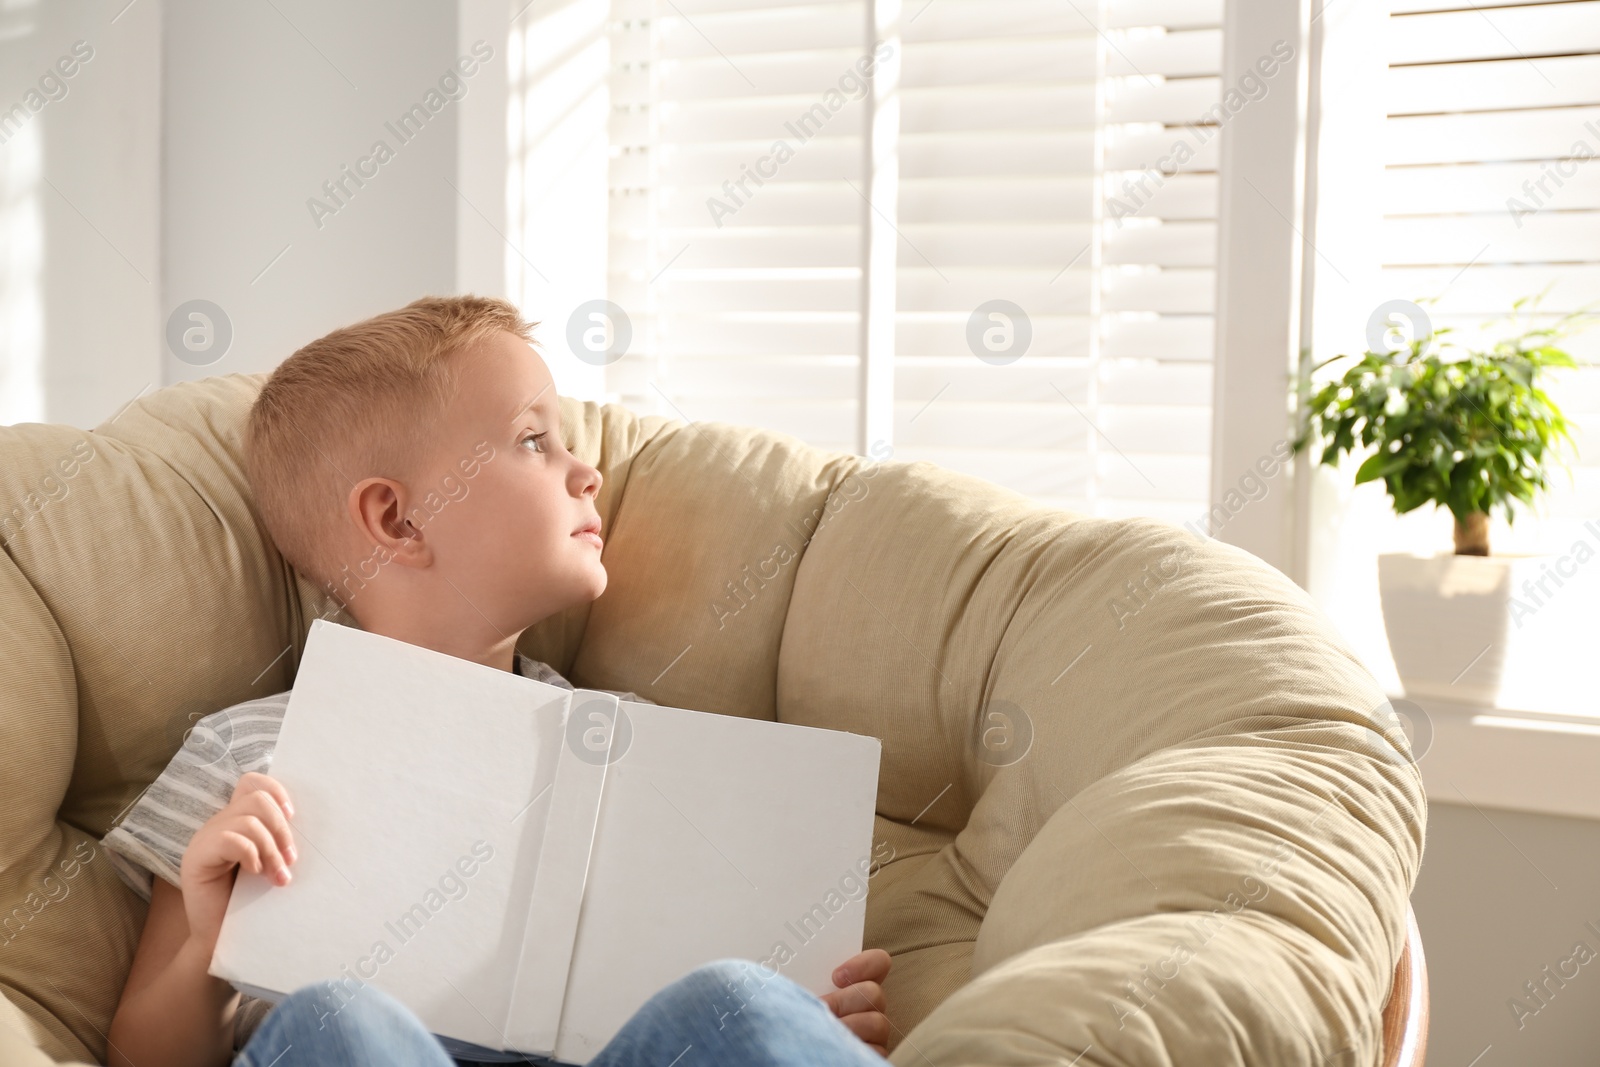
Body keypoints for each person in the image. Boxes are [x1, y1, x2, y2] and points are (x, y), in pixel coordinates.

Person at [99, 295, 892, 1067]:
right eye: (532, 441)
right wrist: (211, 942)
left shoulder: (626, 740)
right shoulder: (248, 751)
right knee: (340, 1018)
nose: (588, 472)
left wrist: (803, 1018)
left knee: (738, 996)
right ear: (399, 521)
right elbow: (141, 1051)